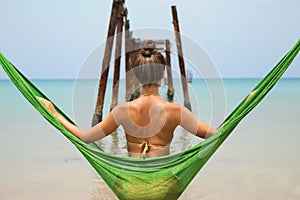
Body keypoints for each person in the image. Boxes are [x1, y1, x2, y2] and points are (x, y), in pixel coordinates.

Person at [39, 40, 216, 158]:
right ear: (163, 75)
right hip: (162, 183)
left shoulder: (123, 111)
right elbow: (214, 135)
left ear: (136, 77)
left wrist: (54, 113)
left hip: (132, 184)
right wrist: (241, 110)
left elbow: (85, 137)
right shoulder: (176, 112)